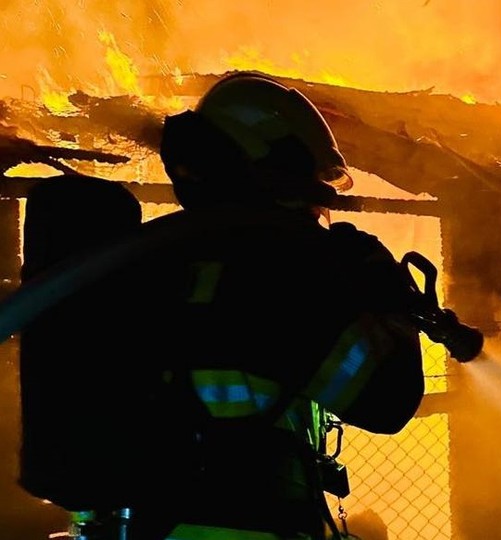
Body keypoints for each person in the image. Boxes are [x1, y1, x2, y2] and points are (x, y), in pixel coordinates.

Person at [17, 72, 429, 540]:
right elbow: (387, 403)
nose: (315, 215)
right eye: (309, 194)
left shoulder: (157, 261)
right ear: (275, 176)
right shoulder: (273, 281)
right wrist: (388, 298)